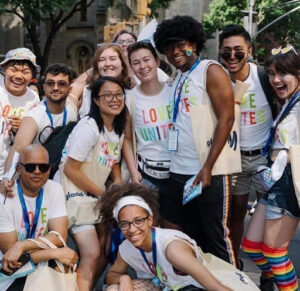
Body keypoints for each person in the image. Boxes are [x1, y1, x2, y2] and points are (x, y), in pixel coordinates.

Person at [153, 15, 236, 265]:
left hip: (207, 172)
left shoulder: (210, 70)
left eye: (180, 45)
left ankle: (233, 283)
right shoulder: (178, 77)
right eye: (168, 47)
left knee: (216, 238)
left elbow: (227, 119)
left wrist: (208, 167)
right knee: (193, 238)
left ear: (193, 44)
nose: (174, 51)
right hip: (179, 172)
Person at [219, 25, 278, 268]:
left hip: (264, 161)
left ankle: (269, 270)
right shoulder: (218, 80)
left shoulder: (265, 77)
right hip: (234, 160)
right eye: (226, 52)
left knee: (269, 216)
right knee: (235, 215)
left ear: (250, 51)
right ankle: (234, 263)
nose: (232, 57)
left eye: (238, 51)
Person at [242, 46, 300, 291]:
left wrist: (282, 161)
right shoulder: (289, 103)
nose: (276, 80)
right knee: (252, 247)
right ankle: (275, 280)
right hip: (275, 179)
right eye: (272, 73)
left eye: (283, 73)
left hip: (289, 179)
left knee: (275, 252)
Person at [101, 183, 232, 291]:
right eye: (125, 224)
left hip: (194, 287)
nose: (132, 229)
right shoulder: (126, 248)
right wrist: (124, 279)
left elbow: (216, 287)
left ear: (150, 220)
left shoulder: (172, 247)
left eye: (138, 221)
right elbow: (112, 274)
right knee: (113, 289)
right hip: (163, 286)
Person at [62, 76, 126, 290]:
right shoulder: (88, 128)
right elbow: (70, 169)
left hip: (94, 196)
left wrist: (116, 179)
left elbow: (113, 159)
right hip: (74, 194)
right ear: (96, 101)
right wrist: (103, 193)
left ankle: (85, 285)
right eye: (107, 95)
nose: (115, 99)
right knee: (91, 252)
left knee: (108, 246)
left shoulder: (116, 127)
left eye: (119, 94)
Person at [0, 144, 78, 291]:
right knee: (61, 258)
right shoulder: (3, 198)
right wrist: (53, 252)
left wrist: (21, 245)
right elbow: (12, 258)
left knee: (64, 264)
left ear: (49, 169)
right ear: (19, 169)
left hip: (37, 262)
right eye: (30, 167)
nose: (37, 172)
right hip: (8, 273)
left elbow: (59, 237)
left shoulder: (54, 189)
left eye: (43, 167)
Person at [123, 41, 172, 224]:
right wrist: (134, 172)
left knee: (174, 227)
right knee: (150, 225)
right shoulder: (129, 99)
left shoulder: (174, 91)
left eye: (146, 60)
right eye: (136, 63)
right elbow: (127, 139)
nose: (142, 67)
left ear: (157, 62)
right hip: (147, 174)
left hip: (176, 171)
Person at [3, 63, 78, 180]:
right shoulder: (34, 117)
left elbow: (84, 80)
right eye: (50, 83)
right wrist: (8, 179)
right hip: (39, 178)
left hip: (66, 177)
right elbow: (17, 151)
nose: (55, 88)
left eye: (62, 84)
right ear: (44, 87)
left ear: (70, 88)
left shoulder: (72, 107)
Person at [0, 48, 40, 179]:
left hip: (12, 170)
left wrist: (22, 128)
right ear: (4, 69)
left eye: (25, 72)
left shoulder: (33, 99)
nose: (18, 76)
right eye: (13, 70)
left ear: (32, 75)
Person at [75, 43, 131, 118]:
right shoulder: (85, 92)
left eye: (112, 59)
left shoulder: (132, 91)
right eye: (102, 60)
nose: (107, 64)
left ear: (122, 64)